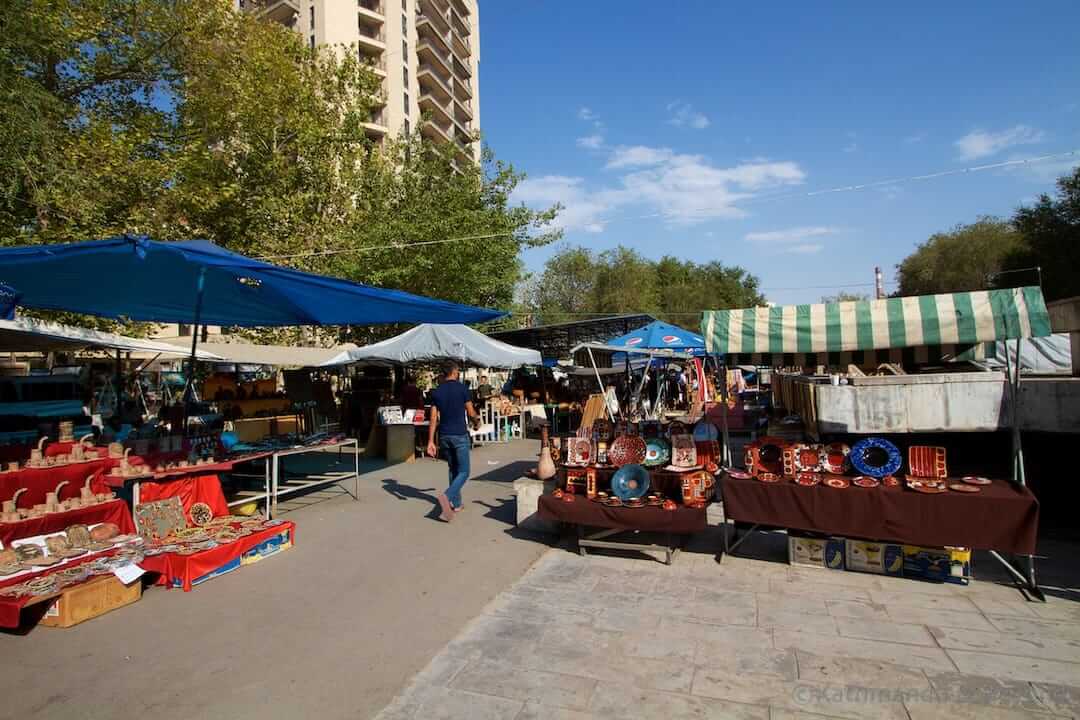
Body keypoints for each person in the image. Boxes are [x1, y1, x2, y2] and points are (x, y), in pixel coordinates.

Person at [426, 361, 480, 521]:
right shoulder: (462, 389)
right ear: (455, 372)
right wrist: (477, 422)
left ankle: (456, 504)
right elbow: (471, 412)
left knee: (452, 469)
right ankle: (448, 496)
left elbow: (433, 417)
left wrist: (430, 441)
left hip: (444, 436)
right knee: (464, 471)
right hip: (459, 435)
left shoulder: (437, 392)